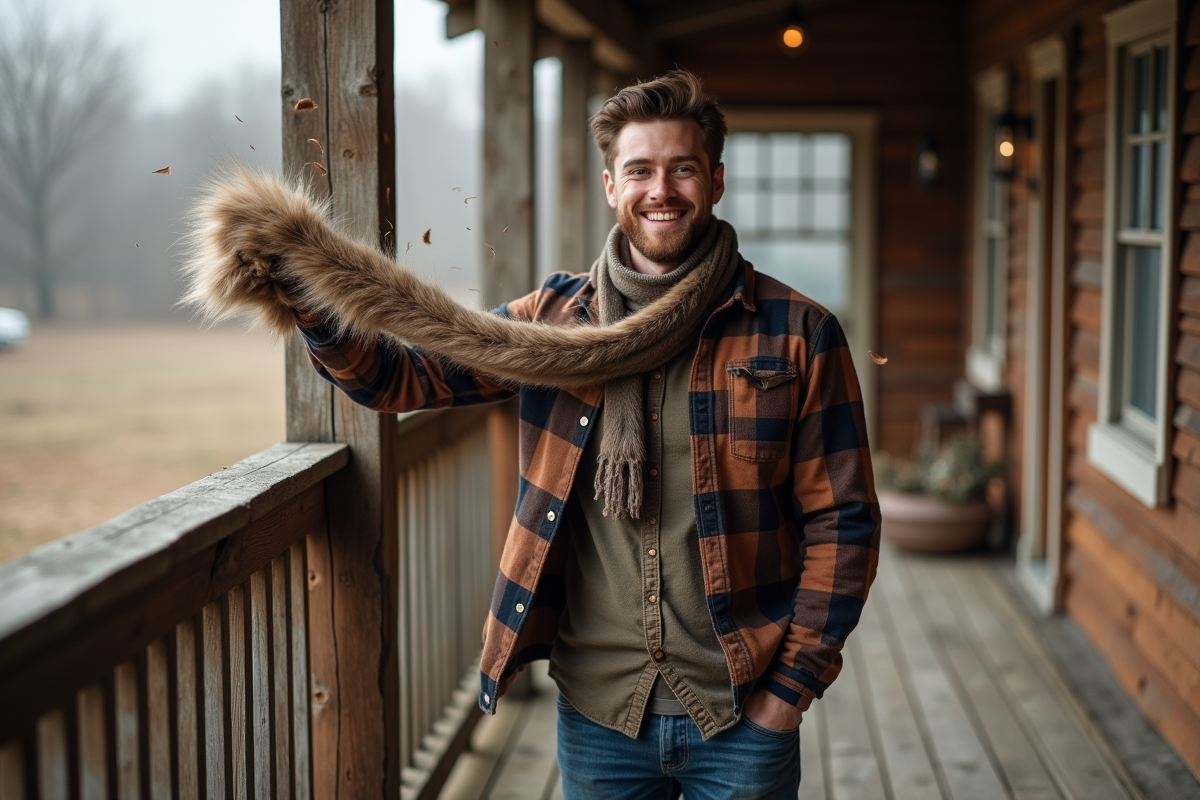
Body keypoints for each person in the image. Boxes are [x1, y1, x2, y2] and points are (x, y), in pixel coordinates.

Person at [293, 70, 879, 800]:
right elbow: (401, 379)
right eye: (640, 170)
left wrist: (787, 693)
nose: (660, 190)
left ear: (716, 181)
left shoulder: (799, 333)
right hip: (602, 721)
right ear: (611, 186)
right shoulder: (553, 320)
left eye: (682, 168)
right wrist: (306, 290)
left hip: (741, 719)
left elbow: (843, 524)